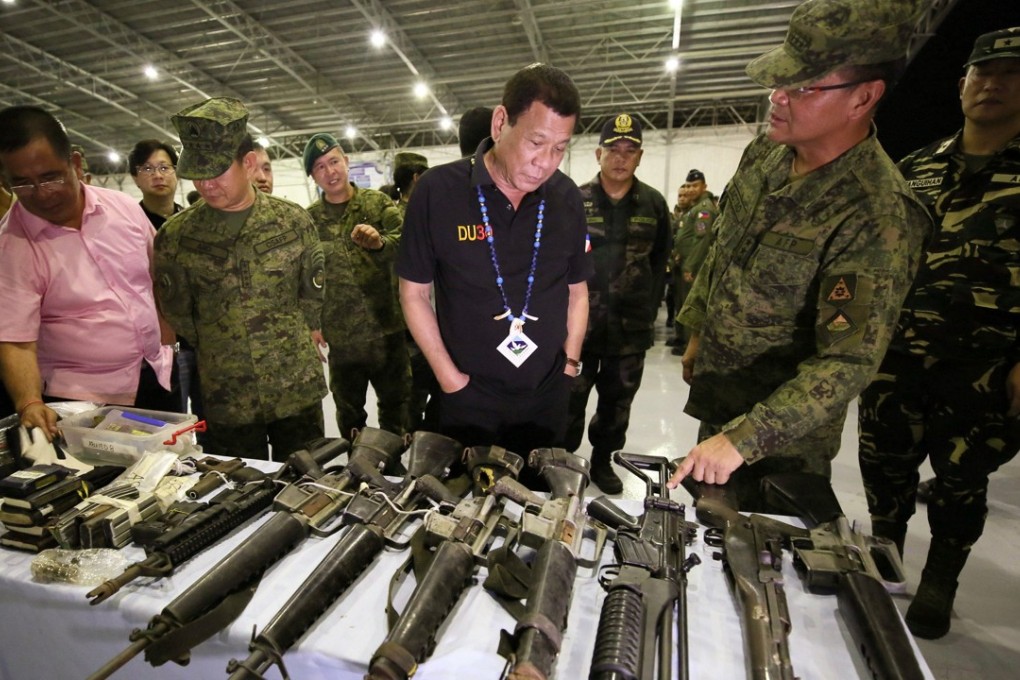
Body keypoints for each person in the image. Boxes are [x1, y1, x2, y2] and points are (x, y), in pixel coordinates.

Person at [666, 0, 931, 509]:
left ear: (863, 98)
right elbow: (724, 244)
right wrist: (698, 328)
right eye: (779, 82)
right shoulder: (765, 154)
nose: (777, 97)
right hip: (720, 398)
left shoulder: (878, 213)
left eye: (802, 86)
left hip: (783, 443)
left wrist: (743, 440)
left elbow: (848, 360)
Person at [858, 27, 1020, 640]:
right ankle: (885, 562)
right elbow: (876, 257)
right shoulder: (917, 167)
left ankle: (941, 581)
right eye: (983, 72)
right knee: (885, 470)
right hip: (897, 356)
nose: (994, 84)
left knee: (961, 481)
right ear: (962, 85)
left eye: (1010, 73)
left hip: (982, 363)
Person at [398, 63, 592, 462]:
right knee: (461, 513)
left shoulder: (566, 197)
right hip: (467, 400)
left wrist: (569, 366)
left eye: (560, 148)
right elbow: (414, 293)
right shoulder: (438, 192)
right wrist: (450, 380)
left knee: (541, 512)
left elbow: (577, 290)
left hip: (546, 398)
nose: (546, 162)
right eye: (536, 142)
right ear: (501, 122)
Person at [154, 97, 327, 460]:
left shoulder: (293, 222)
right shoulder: (176, 237)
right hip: (226, 395)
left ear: (248, 164)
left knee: (309, 487)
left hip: (294, 386)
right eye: (196, 173)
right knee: (236, 492)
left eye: (216, 171)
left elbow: (311, 295)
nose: (205, 184)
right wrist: (224, 342)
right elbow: (179, 312)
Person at [0, 105, 177, 438]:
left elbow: (157, 278)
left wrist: (167, 344)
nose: (41, 194)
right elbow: (15, 341)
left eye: (51, 177)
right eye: (22, 185)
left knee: (173, 473)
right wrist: (29, 403)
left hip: (155, 375)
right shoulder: (11, 247)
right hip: (81, 401)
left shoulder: (122, 208)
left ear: (76, 164)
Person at [564, 114, 670, 493]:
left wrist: (646, 308)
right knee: (568, 402)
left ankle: (603, 461)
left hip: (629, 331)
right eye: (613, 150)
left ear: (639, 157)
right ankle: (563, 462)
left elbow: (660, 263)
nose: (621, 158)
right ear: (598, 154)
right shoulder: (574, 200)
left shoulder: (653, 204)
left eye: (629, 150)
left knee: (617, 405)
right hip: (579, 328)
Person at [304, 133, 410, 438]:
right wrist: (310, 323)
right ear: (313, 176)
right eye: (321, 167)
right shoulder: (308, 221)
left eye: (334, 161)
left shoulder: (376, 204)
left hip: (386, 330)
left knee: (396, 412)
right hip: (342, 338)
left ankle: (393, 474)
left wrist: (379, 244)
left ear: (346, 161)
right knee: (350, 416)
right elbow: (303, 276)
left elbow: (405, 241)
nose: (331, 171)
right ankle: (359, 474)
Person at [392, 151, 438, 433]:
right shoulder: (423, 216)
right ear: (417, 178)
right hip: (423, 318)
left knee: (410, 396)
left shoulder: (389, 214)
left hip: (403, 321)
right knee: (421, 391)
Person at [670, 169, 719, 354]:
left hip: (693, 267)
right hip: (684, 264)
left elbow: (701, 240)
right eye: (688, 186)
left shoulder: (703, 209)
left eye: (694, 186)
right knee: (681, 302)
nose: (690, 190)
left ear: (704, 186)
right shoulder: (694, 207)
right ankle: (682, 338)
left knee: (690, 306)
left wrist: (690, 266)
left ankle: (689, 344)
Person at [129, 139, 183, 230]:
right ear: (135, 179)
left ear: (177, 174)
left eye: (164, 168)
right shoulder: (130, 223)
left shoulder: (191, 219)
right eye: (147, 169)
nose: (158, 176)